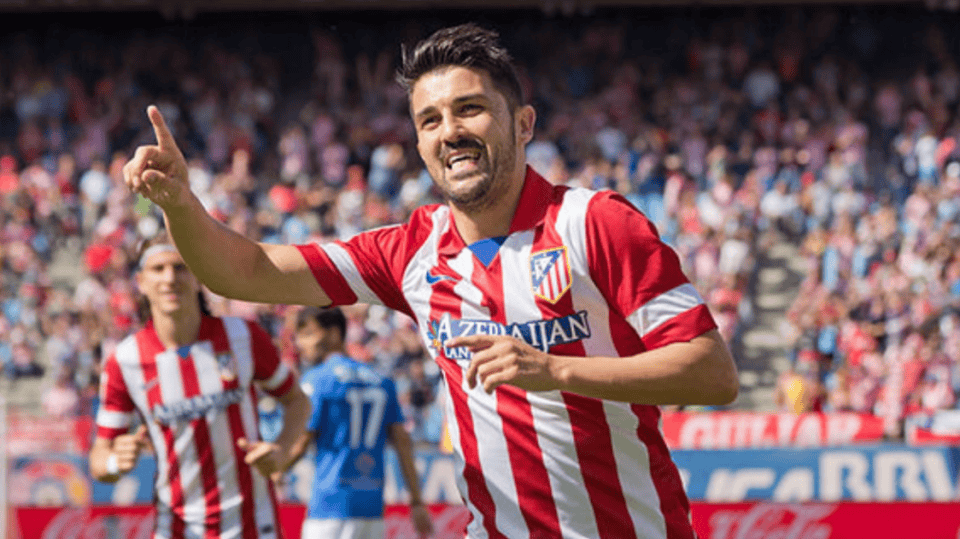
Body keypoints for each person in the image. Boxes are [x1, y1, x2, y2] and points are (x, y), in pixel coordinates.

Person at [123, 23, 738, 539]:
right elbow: (246, 271)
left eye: (470, 108)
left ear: (523, 124)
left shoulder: (594, 222)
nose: (450, 131)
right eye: (430, 119)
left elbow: (712, 372)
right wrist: (180, 204)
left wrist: (557, 370)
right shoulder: (410, 251)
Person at [88, 230, 311, 539]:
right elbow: (99, 459)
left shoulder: (242, 336)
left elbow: (297, 401)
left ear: (197, 276)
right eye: (158, 269)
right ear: (141, 282)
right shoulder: (125, 361)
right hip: (177, 528)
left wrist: (282, 452)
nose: (169, 278)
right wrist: (115, 462)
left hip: (254, 525)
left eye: (180, 267)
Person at [284, 306, 433, 539]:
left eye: (308, 334)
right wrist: (416, 501)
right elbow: (403, 443)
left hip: (329, 509)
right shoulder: (382, 381)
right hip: (372, 510)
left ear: (334, 333)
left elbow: (301, 441)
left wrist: (274, 469)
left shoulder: (317, 380)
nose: (301, 343)